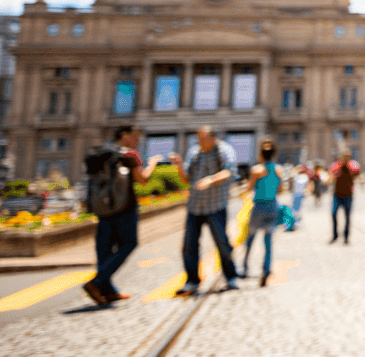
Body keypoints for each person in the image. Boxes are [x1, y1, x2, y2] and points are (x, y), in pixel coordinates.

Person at [83, 126, 158, 305]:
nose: (137, 142)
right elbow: (142, 179)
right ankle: (97, 282)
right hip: (125, 208)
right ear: (124, 136)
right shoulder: (129, 155)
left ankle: (108, 291)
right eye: (135, 137)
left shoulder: (101, 153)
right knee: (129, 243)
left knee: (105, 249)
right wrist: (153, 164)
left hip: (103, 209)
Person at [170, 126, 240, 295]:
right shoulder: (194, 152)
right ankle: (192, 281)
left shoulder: (224, 150)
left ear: (213, 139)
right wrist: (179, 166)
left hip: (215, 205)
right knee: (189, 245)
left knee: (222, 243)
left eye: (203, 139)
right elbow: (187, 179)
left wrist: (210, 180)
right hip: (195, 206)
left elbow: (228, 171)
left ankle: (231, 277)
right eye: (198, 139)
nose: (200, 142)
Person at [242, 139, 282, 286]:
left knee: (250, 238)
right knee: (268, 240)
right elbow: (279, 189)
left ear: (261, 153)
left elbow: (248, 188)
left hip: (259, 206)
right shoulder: (279, 169)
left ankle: (245, 267)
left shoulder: (256, 170)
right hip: (273, 206)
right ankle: (266, 269)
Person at [329, 150, 359, 244]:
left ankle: (346, 236)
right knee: (333, 214)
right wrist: (341, 166)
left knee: (347, 217)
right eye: (344, 156)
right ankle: (335, 235)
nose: (346, 158)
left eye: (348, 156)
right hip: (337, 195)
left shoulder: (353, 165)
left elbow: (356, 173)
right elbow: (333, 175)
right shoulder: (336, 165)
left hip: (348, 195)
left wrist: (347, 166)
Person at [288, 165, 309, 230]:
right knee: (295, 209)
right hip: (295, 194)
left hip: (300, 195)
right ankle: (294, 223)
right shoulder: (296, 176)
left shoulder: (304, 177)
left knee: (298, 210)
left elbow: (304, 184)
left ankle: (296, 223)